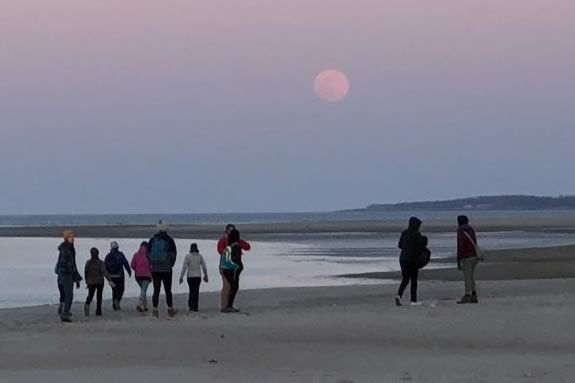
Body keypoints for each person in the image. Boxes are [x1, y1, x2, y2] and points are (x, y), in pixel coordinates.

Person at [217, 224, 251, 312]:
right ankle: (226, 306)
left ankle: (227, 306)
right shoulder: (227, 243)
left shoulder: (234, 244)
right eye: (230, 230)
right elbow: (223, 253)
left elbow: (247, 246)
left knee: (231, 286)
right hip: (229, 269)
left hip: (228, 268)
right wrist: (236, 266)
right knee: (229, 286)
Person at [148, 221, 178, 318]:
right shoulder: (170, 240)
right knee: (168, 290)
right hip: (166, 269)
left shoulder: (153, 240)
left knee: (156, 290)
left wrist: (152, 263)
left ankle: (155, 310)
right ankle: (170, 309)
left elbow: (148, 253)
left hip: (155, 268)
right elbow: (174, 254)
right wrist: (171, 264)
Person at [395, 217, 425, 307]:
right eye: (419, 225)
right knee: (414, 280)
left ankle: (399, 295)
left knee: (405, 279)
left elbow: (400, 245)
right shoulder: (417, 234)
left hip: (403, 259)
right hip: (413, 260)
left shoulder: (404, 233)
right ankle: (413, 300)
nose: (420, 227)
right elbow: (420, 248)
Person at [55, 230, 82, 322]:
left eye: (73, 236)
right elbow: (62, 263)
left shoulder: (71, 248)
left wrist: (76, 278)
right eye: (71, 236)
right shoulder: (65, 249)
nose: (73, 238)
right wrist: (62, 274)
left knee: (69, 294)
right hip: (65, 274)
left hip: (69, 273)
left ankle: (66, 311)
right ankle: (65, 313)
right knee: (69, 295)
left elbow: (73, 264)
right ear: (67, 238)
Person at [84, 247, 115, 317]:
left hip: (91, 282)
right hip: (99, 282)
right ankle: (98, 311)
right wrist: (110, 280)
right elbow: (104, 272)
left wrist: (87, 282)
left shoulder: (88, 263)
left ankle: (87, 305)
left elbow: (86, 272)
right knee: (99, 296)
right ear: (98, 254)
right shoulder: (100, 263)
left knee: (90, 295)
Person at [179, 243, 209, 313]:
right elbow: (204, 267)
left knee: (191, 291)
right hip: (198, 276)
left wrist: (181, 277)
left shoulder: (188, 256)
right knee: (196, 292)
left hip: (190, 277)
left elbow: (184, 267)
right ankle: (195, 307)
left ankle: (191, 307)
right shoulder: (200, 256)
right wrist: (206, 276)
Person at [457, 215, 480, 304]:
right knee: (471, 276)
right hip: (474, 255)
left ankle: (467, 296)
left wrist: (458, 260)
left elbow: (460, 245)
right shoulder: (471, 229)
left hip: (466, 256)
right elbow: (475, 242)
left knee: (467, 277)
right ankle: (474, 295)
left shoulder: (460, 230)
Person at [104, 241, 131, 311]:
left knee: (114, 290)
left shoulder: (108, 256)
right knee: (121, 289)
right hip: (120, 275)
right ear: (117, 247)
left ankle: (114, 305)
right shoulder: (120, 254)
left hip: (111, 276)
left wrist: (106, 276)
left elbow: (104, 266)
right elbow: (125, 263)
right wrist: (129, 271)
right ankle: (117, 301)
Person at [131, 241, 153, 312]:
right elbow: (152, 266)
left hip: (138, 276)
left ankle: (145, 306)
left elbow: (132, 265)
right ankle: (139, 304)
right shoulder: (149, 255)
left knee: (143, 290)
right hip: (147, 275)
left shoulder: (136, 255)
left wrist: (137, 270)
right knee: (143, 290)